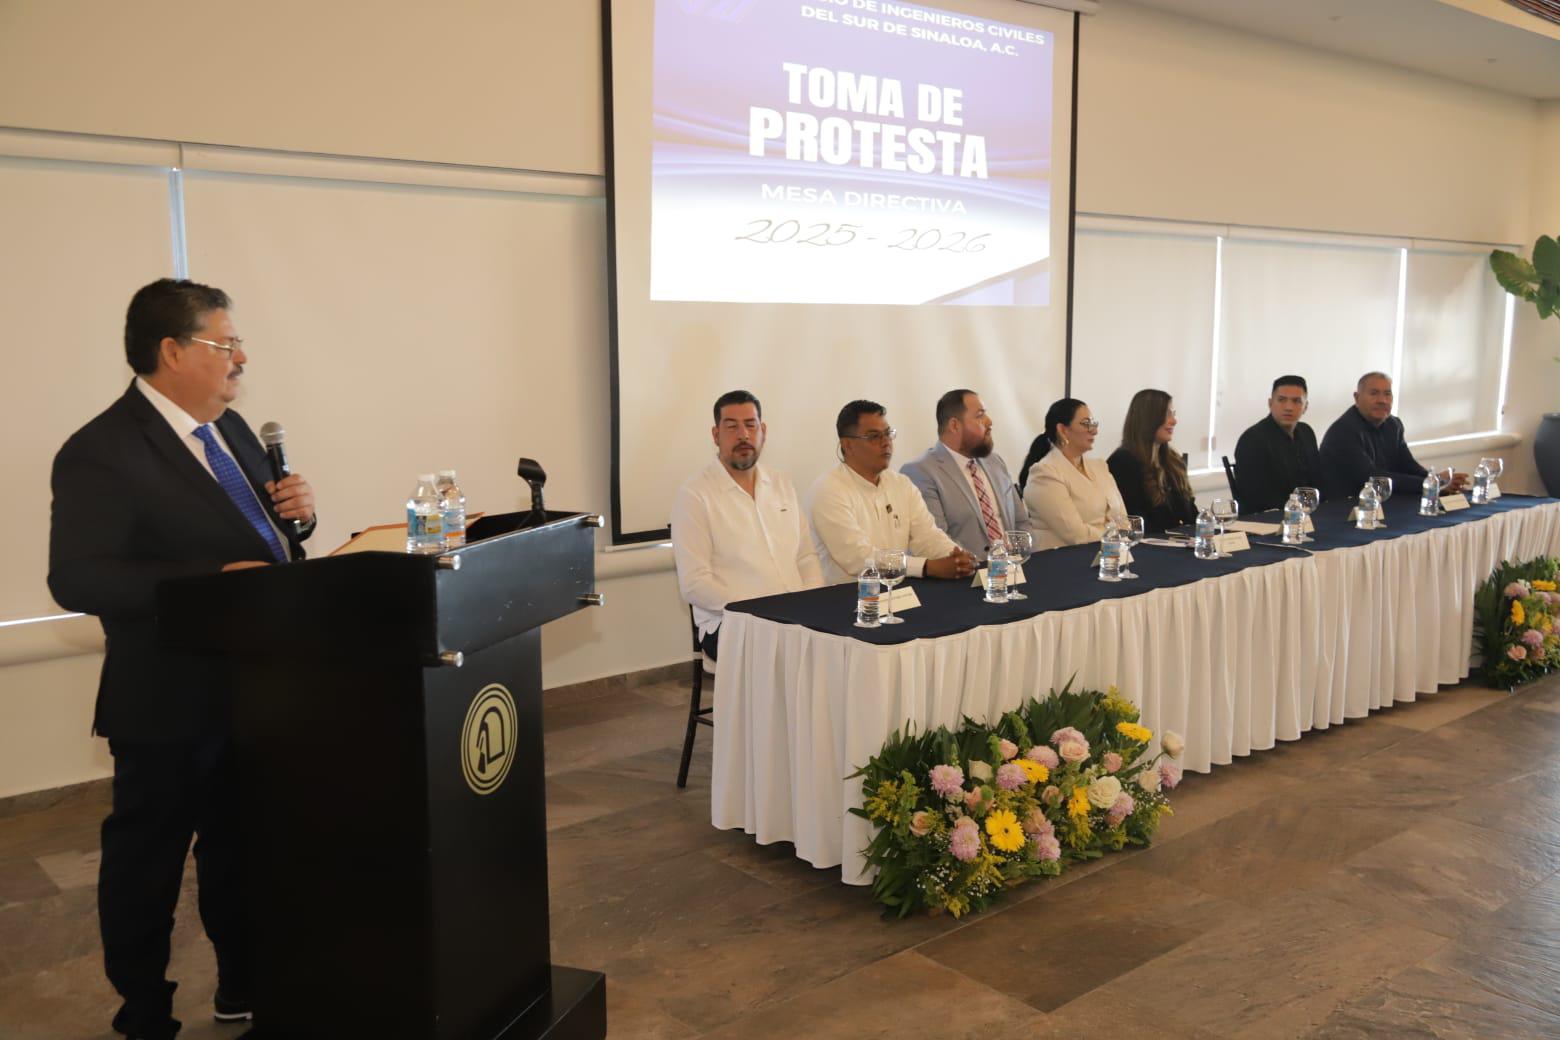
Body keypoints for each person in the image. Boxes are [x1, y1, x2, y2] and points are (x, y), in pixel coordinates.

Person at [48, 279, 317, 1040]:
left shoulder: (227, 429)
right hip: (166, 697)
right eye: (223, 344)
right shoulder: (101, 450)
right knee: (149, 865)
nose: (240, 359)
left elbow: (254, 544)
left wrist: (299, 513)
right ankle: (145, 1012)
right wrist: (211, 586)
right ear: (171, 351)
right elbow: (78, 577)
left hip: (254, 688)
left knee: (243, 852)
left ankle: (244, 987)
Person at [670, 390, 824, 661]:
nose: (743, 435)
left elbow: (806, 557)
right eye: (731, 427)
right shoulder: (695, 495)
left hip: (793, 617)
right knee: (786, 655)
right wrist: (757, 613)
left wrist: (811, 605)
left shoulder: (781, 483)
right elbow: (695, 583)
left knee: (843, 646)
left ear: (762, 431)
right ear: (716, 435)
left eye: (750, 425)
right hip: (732, 623)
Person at [808, 400, 977, 584]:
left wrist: (957, 557)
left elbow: (927, 536)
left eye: (888, 434)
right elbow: (858, 558)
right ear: (847, 445)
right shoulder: (829, 489)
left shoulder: (901, 484)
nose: (886, 442)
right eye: (874, 436)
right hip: (847, 599)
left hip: (898, 592)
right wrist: (926, 567)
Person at [900, 388, 1033, 558]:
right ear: (954, 425)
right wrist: (985, 568)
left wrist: (1020, 556)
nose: (989, 421)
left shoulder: (995, 462)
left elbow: (1021, 522)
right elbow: (935, 539)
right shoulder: (921, 472)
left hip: (1014, 570)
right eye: (979, 415)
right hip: (965, 576)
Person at [1319, 371, 1466, 501]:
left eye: (1387, 394)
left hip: (1384, 502)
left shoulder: (1393, 424)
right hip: (1345, 507)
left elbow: (1407, 464)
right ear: (1357, 398)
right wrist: (1433, 484)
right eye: (1374, 393)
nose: (1382, 400)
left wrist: (1434, 480)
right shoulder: (1343, 431)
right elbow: (1373, 478)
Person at [1022, 398, 1128, 549]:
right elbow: (1076, 535)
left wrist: (1119, 534)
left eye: (1093, 423)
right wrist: (1116, 535)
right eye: (1086, 424)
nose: (1094, 430)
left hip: (1107, 555)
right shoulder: (1044, 473)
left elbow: (1123, 521)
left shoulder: (1100, 467)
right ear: (1063, 430)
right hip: (1061, 562)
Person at [1107, 389, 1199, 533]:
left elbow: (1191, 516)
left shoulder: (1173, 461)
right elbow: (1135, 523)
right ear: (1149, 418)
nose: (1174, 421)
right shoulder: (1122, 463)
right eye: (1167, 414)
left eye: (1173, 414)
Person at [1232, 375, 1323, 512]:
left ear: (1305, 407)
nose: (1288, 407)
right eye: (1281, 400)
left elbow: (1317, 480)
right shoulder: (1252, 439)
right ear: (1270, 403)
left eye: (1296, 401)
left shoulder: (1306, 432)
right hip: (1268, 518)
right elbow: (1255, 496)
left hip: (1309, 514)